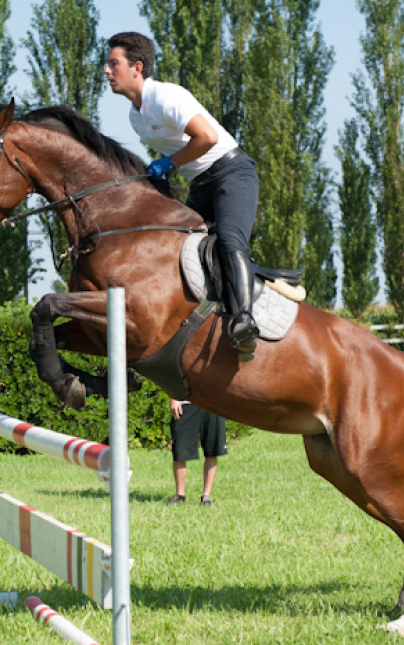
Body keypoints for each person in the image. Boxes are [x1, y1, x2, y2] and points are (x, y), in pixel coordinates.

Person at [105, 31, 260, 359]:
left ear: (137, 67)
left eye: (112, 64)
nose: (106, 71)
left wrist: (169, 163)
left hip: (232, 174)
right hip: (201, 185)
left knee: (230, 243)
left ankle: (245, 322)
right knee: (175, 250)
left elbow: (206, 137)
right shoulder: (135, 116)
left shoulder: (164, 97)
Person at [166, 398, 227, 507]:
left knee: (212, 452)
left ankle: (206, 497)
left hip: (214, 404)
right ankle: (180, 496)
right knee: (180, 452)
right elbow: (174, 380)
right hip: (184, 404)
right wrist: (174, 399)